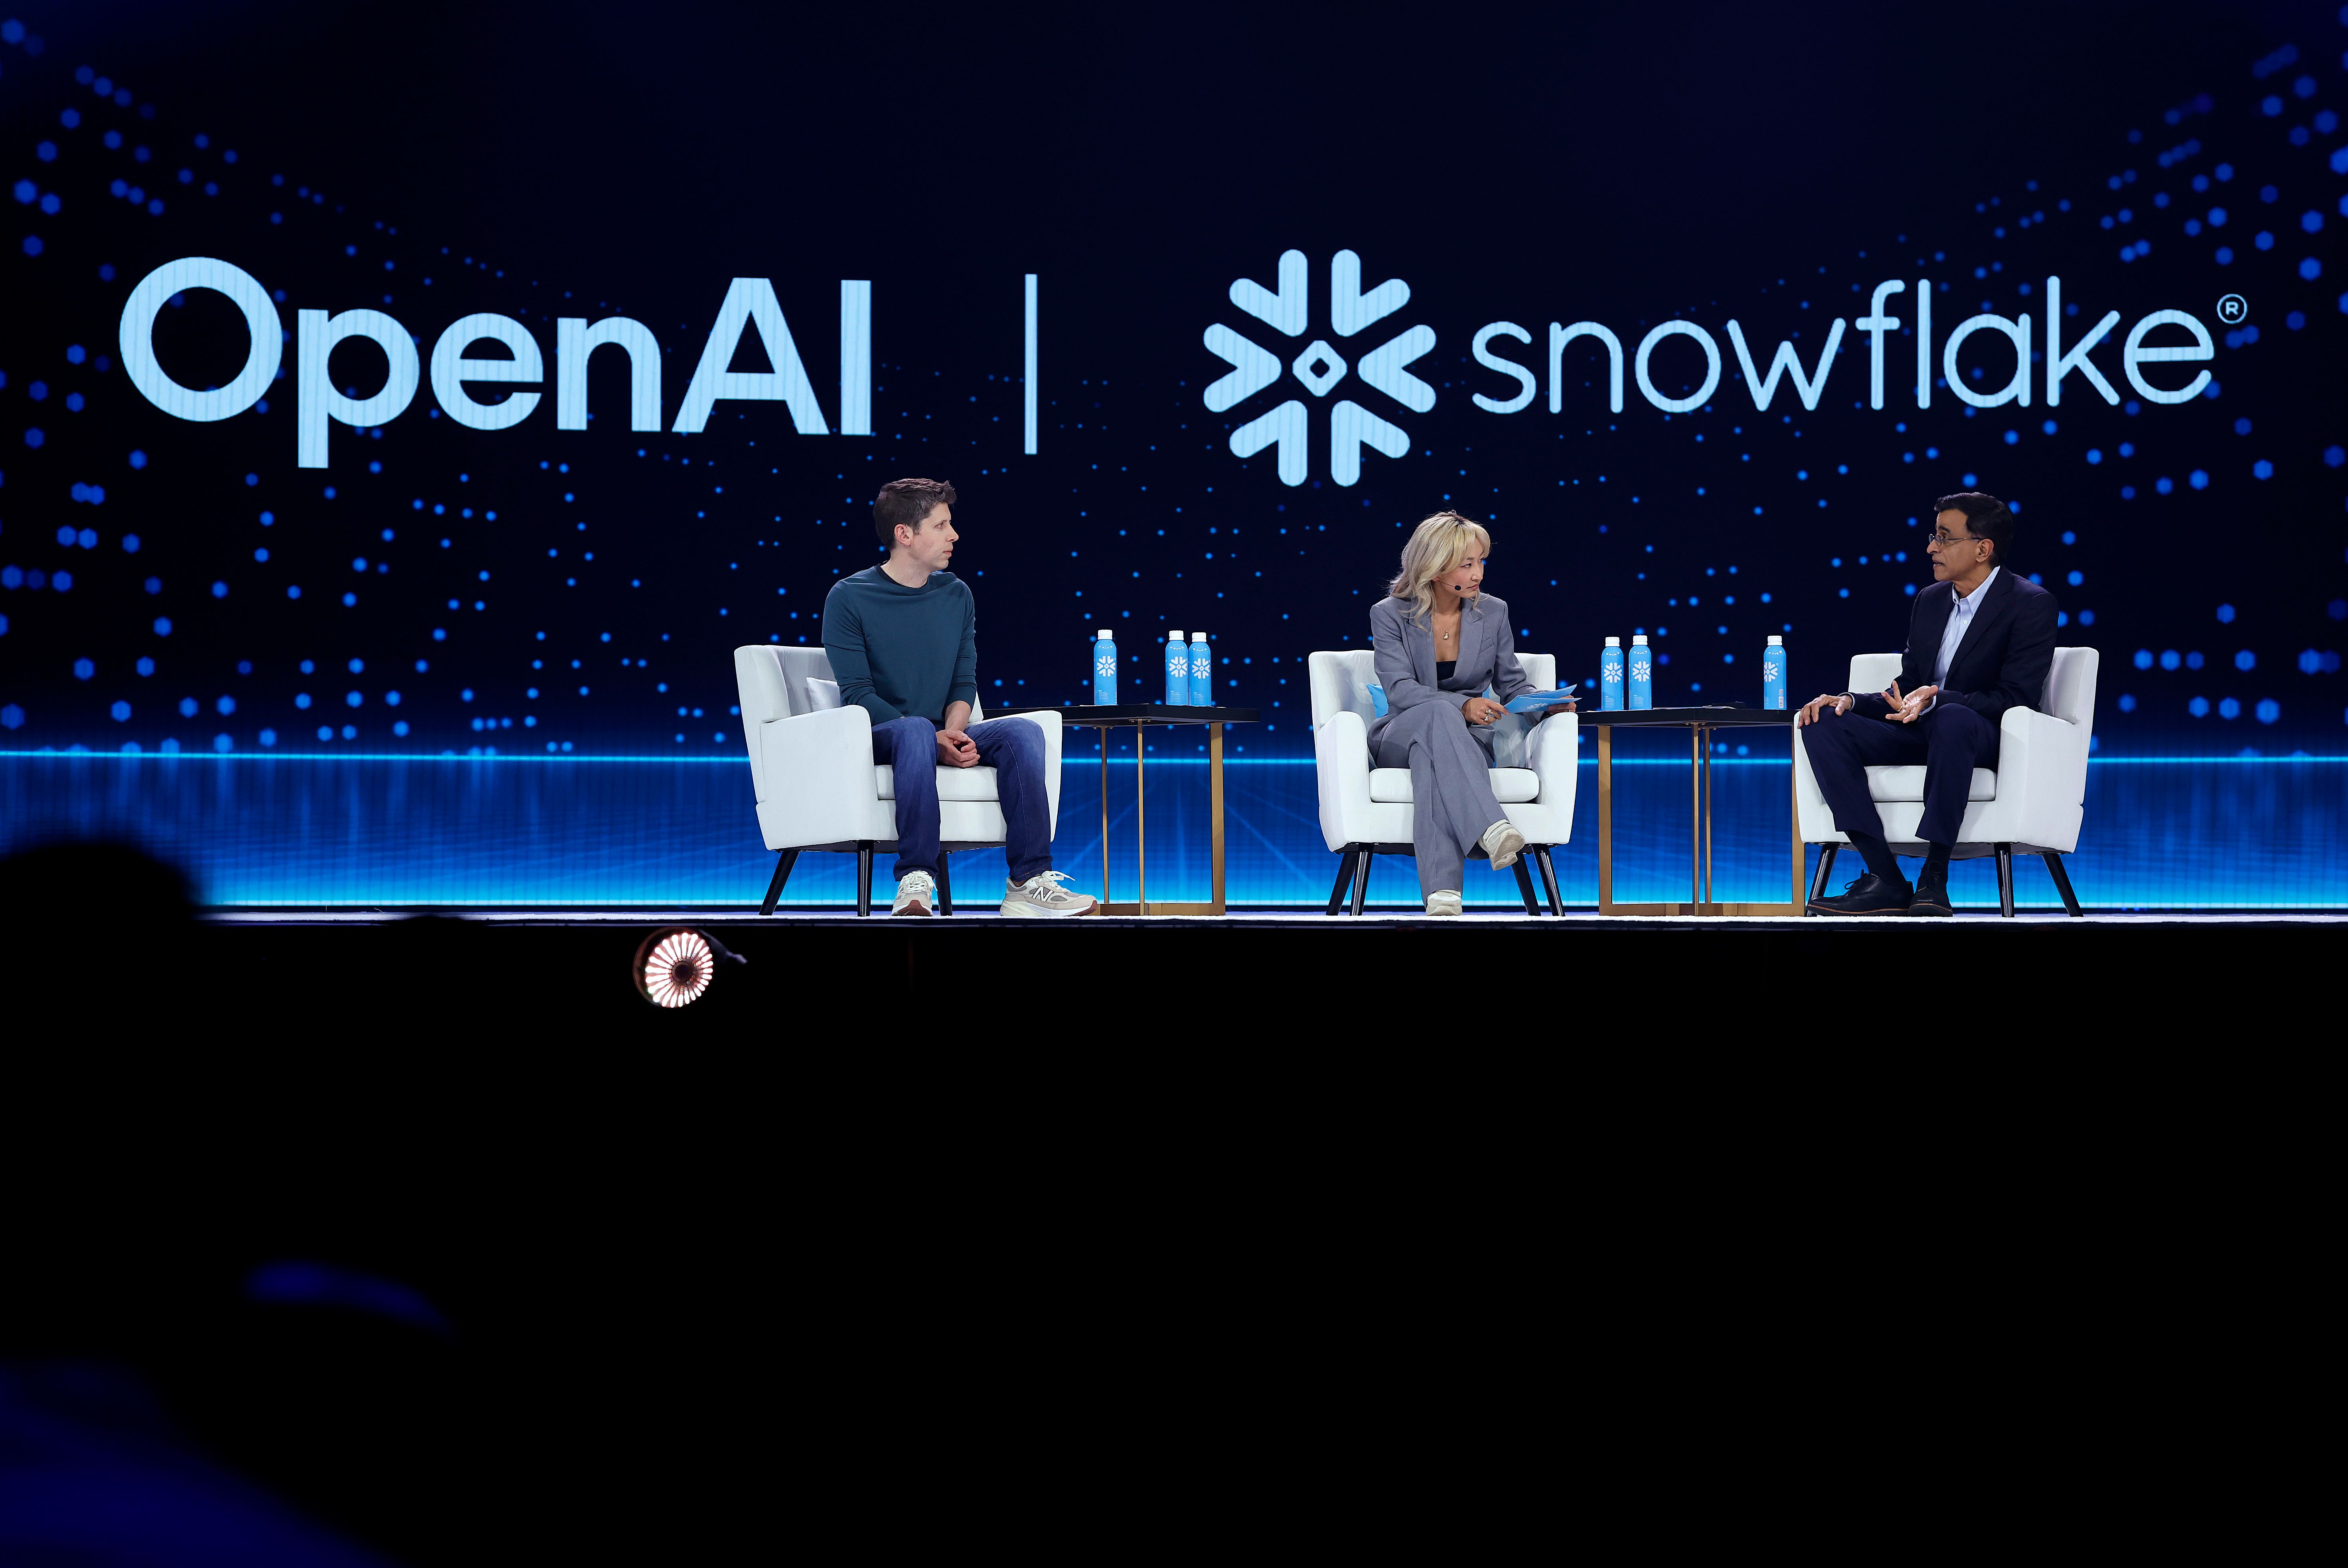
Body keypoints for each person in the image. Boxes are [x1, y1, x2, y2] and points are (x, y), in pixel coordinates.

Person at [823, 478, 1094, 918]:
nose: (954, 535)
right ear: (904, 534)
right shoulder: (849, 597)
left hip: (944, 729)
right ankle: (916, 878)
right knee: (912, 730)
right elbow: (858, 696)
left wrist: (950, 733)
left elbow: (962, 680)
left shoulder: (956, 594)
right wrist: (931, 738)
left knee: (1020, 732)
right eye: (941, 525)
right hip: (879, 734)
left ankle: (1028, 883)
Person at [1796, 490, 2058, 916]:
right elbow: (1909, 685)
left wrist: (1940, 700)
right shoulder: (1930, 601)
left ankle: (1933, 878)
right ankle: (1884, 877)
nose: (1930, 548)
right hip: (1919, 727)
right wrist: (1848, 699)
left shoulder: (2029, 604)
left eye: (1943, 537)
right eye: (1932, 536)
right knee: (1821, 721)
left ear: (1982, 549)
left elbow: (2015, 697)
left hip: (1979, 734)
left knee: (1953, 718)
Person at [1367, 511, 1568, 916]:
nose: (1478, 573)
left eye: (1480, 562)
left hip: (1465, 743)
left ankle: (1443, 897)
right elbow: (1399, 689)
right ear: (1435, 566)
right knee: (1438, 717)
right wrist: (1461, 705)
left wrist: (1543, 705)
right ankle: (1491, 828)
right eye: (1467, 563)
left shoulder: (1493, 612)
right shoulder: (1389, 614)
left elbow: (1512, 682)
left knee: (1432, 763)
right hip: (1399, 735)